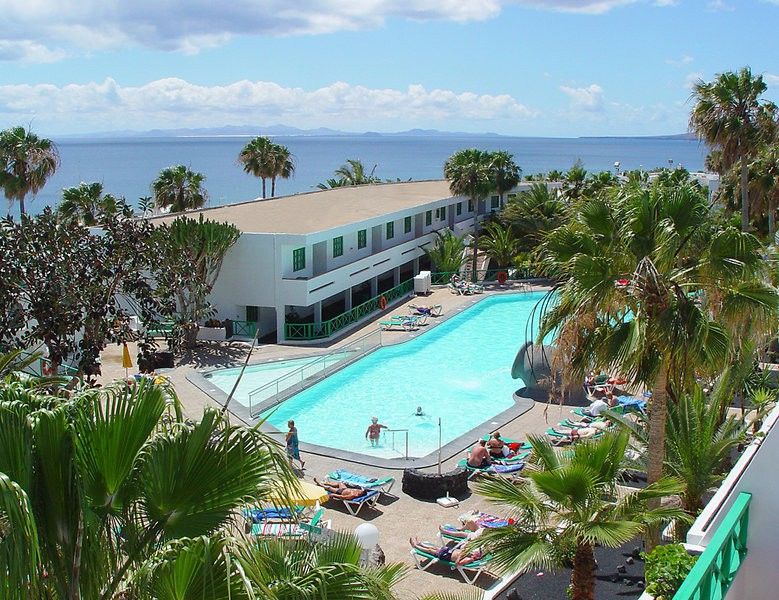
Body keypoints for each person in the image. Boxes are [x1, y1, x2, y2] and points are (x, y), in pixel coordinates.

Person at [409, 537, 484, 566]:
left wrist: (461, 554)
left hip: (446, 556)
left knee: (430, 550)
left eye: (478, 552)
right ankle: (420, 544)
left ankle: (416, 546)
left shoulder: (469, 559)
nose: (476, 551)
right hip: (449, 551)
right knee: (434, 547)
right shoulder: (470, 553)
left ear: (477, 556)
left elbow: (457, 563)